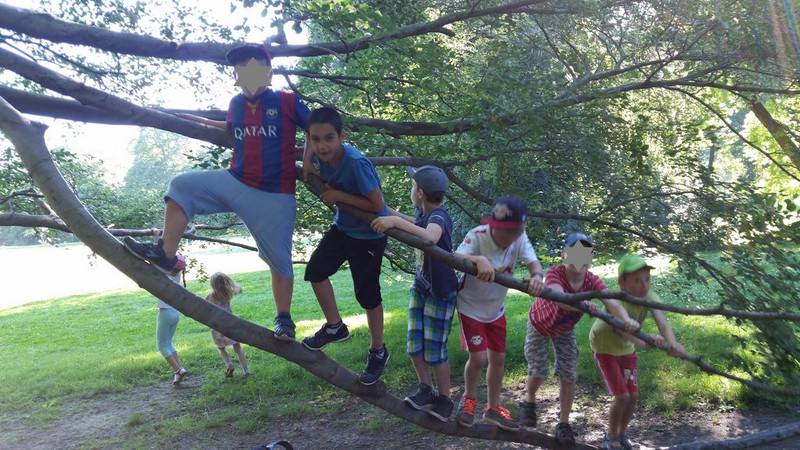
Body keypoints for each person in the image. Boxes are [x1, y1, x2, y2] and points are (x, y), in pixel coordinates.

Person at [123, 43, 310, 341]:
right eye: (240, 71)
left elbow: (314, 128)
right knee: (182, 184)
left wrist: (309, 162)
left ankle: (284, 320)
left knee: (279, 259)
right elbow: (230, 127)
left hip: (274, 192)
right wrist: (195, 120)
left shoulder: (287, 100)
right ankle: (166, 255)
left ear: (268, 73)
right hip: (236, 181)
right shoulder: (236, 103)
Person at [300, 107, 390, 386]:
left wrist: (338, 195)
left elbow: (376, 205)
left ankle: (378, 351)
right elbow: (309, 144)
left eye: (329, 138)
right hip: (343, 228)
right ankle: (335, 327)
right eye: (316, 139)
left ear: (342, 136)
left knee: (367, 295)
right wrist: (306, 159)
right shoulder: (318, 151)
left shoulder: (355, 163)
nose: (322, 146)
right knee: (315, 271)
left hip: (369, 235)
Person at [522, 233, 639, 445]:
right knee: (538, 370)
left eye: (584, 253)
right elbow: (560, 299)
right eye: (574, 252)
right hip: (539, 324)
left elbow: (612, 303)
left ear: (591, 257)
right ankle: (529, 401)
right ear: (564, 256)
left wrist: (626, 320)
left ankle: (563, 424)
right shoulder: (555, 273)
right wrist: (584, 306)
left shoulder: (592, 280)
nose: (579, 258)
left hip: (564, 330)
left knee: (568, 372)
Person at [370, 165, 459, 421]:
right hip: (421, 288)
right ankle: (425, 390)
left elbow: (431, 237)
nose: (411, 191)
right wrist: (383, 210)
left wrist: (395, 221)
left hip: (440, 293)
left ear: (420, 193)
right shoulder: (424, 213)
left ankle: (445, 399)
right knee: (414, 344)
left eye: (412, 187)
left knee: (435, 350)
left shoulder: (439, 217)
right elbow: (411, 222)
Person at [453, 196, 545, 431]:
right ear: (491, 224)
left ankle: (493, 409)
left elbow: (534, 264)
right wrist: (478, 259)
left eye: (512, 231)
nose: (505, 236)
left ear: (520, 229)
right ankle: (469, 399)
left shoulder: (520, 238)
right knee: (478, 358)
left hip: (496, 310)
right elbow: (456, 257)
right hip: (470, 307)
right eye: (500, 229)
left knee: (498, 359)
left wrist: (536, 277)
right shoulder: (477, 235)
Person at [590, 254, 685, 450]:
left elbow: (663, 323)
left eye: (647, 279)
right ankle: (611, 436)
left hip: (626, 348)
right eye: (637, 280)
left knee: (633, 395)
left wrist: (672, 344)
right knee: (622, 396)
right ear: (622, 283)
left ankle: (622, 434)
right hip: (605, 347)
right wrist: (645, 342)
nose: (644, 285)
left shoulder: (649, 297)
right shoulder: (616, 300)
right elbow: (621, 331)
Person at [206, 272, 251, 377]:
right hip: (231, 324)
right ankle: (246, 371)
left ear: (212, 285)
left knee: (221, 348)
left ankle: (229, 365)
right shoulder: (227, 294)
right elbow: (239, 289)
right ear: (226, 282)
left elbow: (204, 307)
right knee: (237, 348)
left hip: (217, 327)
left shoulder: (210, 296)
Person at [157, 267, 188, 387]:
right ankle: (179, 371)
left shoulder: (163, 275)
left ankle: (178, 370)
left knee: (161, 345)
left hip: (165, 312)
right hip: (175, 312)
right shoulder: (177, 273)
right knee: (168, 343)